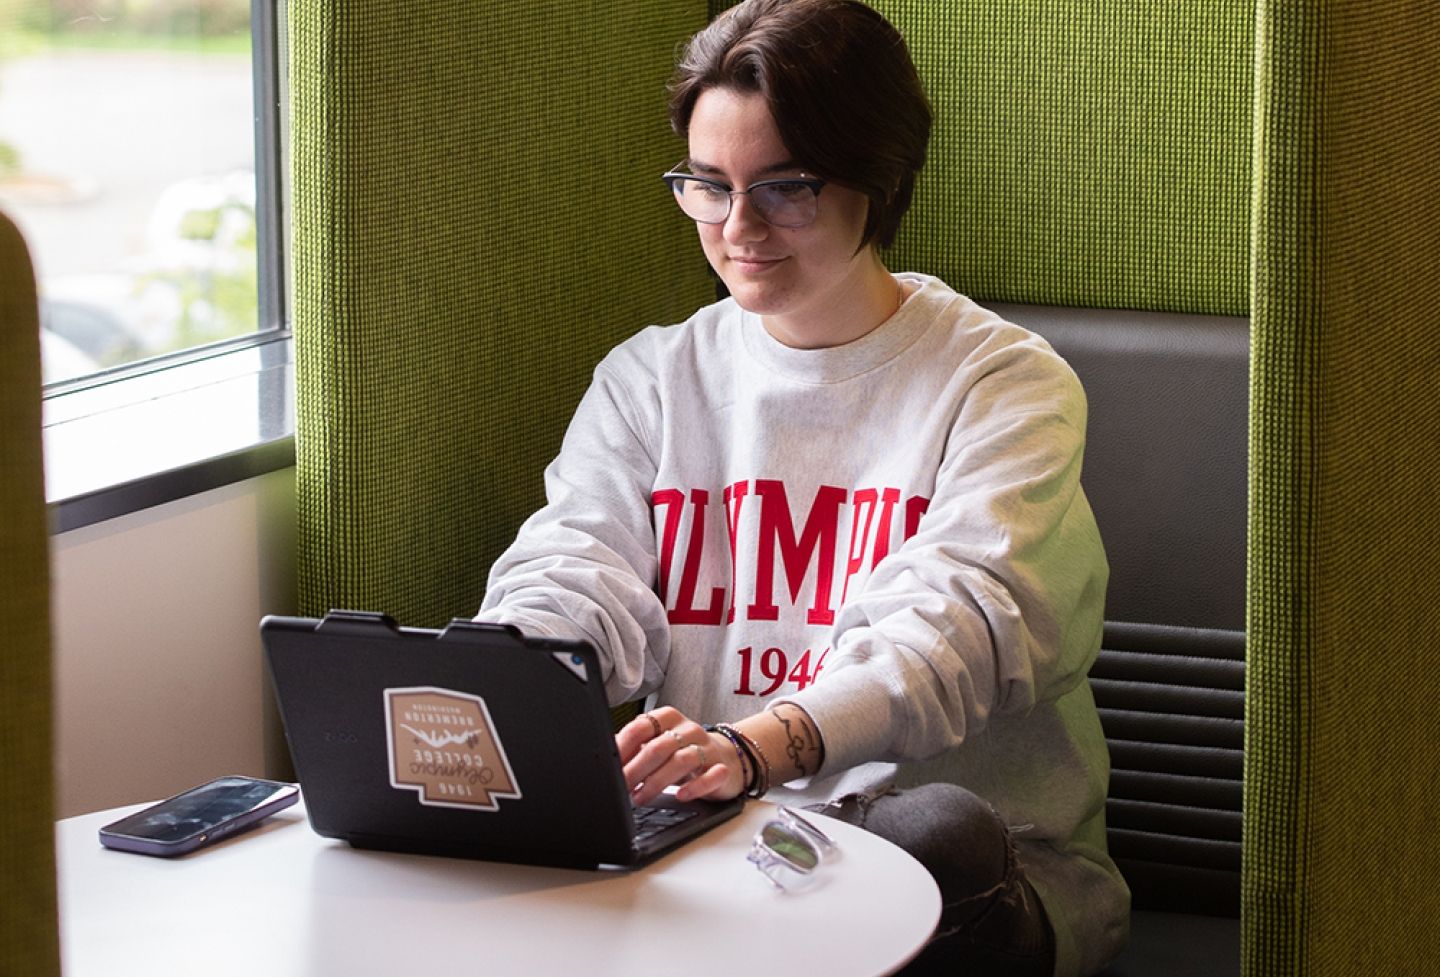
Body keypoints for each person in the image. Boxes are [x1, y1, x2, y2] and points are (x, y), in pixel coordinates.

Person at [478, 1, 1129, 973]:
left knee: (936, 827)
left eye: (784, 189)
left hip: (971, 869)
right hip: (733, 856)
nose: (738, 228)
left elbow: (950, 631)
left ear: (879, 177)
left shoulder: (1003, 385)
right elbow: (578, 569)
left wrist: (754, 747)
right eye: (707, 186)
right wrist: (500, 677)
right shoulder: (653, 380)